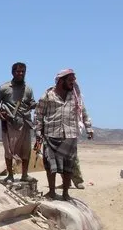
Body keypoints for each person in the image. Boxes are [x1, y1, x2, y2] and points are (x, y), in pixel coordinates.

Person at [34, 68, 94, 200]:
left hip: (70, 135)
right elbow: (38, 114)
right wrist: (38, 132)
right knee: (50, 165)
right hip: (51, 134)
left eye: (74, 80)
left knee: (69, 166)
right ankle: (52, 192)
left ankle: (66, 194)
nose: (73, 83)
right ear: (61, 81)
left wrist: (89, 128)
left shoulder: (75, 96)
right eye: (70, 80)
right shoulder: (48, 95)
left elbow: (83, 113)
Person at [0, 62, 37, 183]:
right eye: (18, 71)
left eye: (23, 72)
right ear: (13, 72)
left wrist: (34, 104)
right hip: (10, 123)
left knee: (26, 150)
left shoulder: (28, 89)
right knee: (9, 150)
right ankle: (10, 175)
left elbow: (31, 102)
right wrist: (0, 114)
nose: (20, 74)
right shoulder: (4, 88)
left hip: (25, 122)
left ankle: (24, 175)